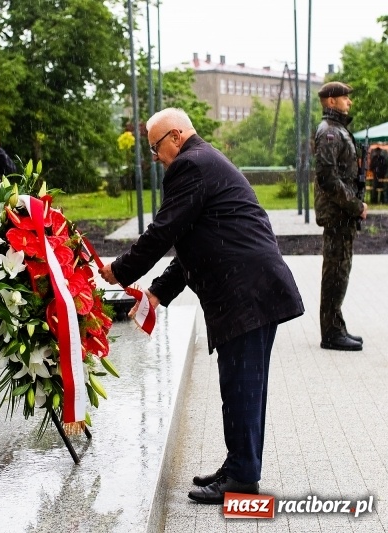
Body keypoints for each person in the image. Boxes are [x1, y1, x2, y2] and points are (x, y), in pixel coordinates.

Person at [98, 108, 304, 505]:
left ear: (176, 136)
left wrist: (120, 270)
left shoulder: (190, 165)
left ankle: (242, 478)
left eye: (155, 147)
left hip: (247, 293)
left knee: (242, 387)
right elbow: (192, 243)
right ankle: (238, 465)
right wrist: (157, 293)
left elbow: (164, 231)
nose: (154, 157)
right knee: (240, 386)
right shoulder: (203, 161)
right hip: (250, 290)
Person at [313, 81, 367, 351]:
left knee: (339, 272)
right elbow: (328, 178)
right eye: (345, 98)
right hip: (337, 214)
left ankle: (336, 326)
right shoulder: (330, 132)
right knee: (335, 273)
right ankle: (331, 333)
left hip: (341, 214)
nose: (350, 102)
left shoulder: (337, 130)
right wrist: (356, 205)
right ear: (331, 101)